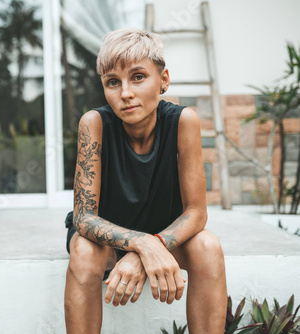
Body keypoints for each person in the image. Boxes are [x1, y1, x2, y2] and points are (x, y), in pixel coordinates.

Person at [64, 28, 227, 333]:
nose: (125, 92)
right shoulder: (94, 123)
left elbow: (196, 212)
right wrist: (141, 245)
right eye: (113, 82)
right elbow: (83, 217)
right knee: (83, 251)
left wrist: (152, 247)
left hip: (164, 234)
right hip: (105, 241)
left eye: (138, 77)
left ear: (163, 79)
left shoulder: (183, 121)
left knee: (208, 246)